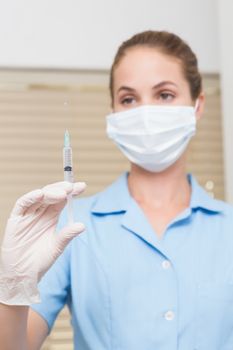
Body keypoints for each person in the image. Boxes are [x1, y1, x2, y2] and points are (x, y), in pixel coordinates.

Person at [0, 30, 232, 350]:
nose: (145, 113)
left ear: (197, 104)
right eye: (128, 99)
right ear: (112, 114)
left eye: (164, 94)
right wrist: (12, 290)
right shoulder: (71, 227)